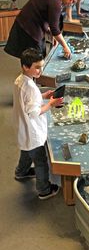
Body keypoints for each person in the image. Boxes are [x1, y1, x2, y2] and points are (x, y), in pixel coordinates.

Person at [13, 48, 64, 200]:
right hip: (33, 131)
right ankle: (44, 189)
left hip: (23, 128)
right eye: (36, 67)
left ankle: (21, 172)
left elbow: (27, 101)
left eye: (41, 66)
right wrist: (51, 104)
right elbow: (34, 112)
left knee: (26, 151)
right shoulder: (31, 88)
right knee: (41, 161)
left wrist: (43, 95)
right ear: (25, 67)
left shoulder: (20, 80)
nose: (40, 70)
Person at [4, 0, 80, 59]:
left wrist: (54, 36)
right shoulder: (55, 1)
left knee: (34, 57)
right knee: (34, 58)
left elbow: (51, 23)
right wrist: (65, 47)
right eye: (72, 1)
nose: (70, 3)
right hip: (27, 28)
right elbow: (55, 29)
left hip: (27, 24)